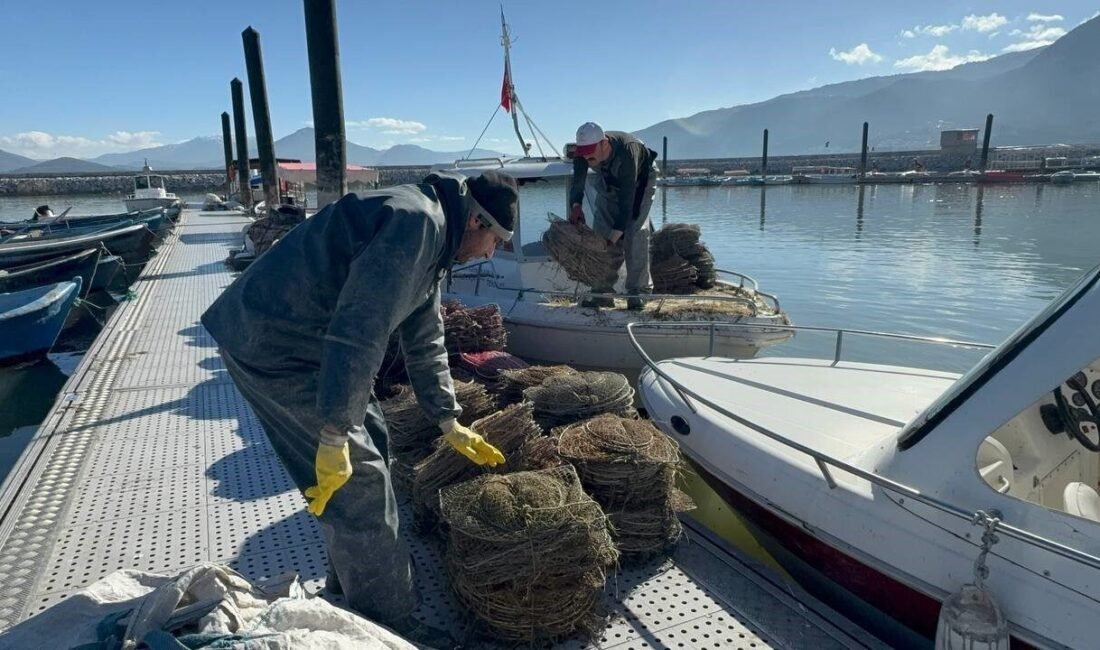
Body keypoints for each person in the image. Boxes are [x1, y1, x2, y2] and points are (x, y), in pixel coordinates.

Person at [200, 170, 517, 648]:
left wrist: (447, 417)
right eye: (496, 241)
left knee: (377, 446)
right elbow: (360, 330)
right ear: (477, 221)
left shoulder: (435, 227)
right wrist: (333, 432)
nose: (491, 253)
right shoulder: (416, 224)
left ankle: (349, 587)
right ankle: (386, 625)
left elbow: (424, 334)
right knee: (360, 482)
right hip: (274, 345)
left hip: (307, 343)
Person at [568, 122, 659, 310]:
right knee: (601, 232)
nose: (586, 156)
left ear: (604, 144)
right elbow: (578, 181)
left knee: (634, 233)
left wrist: (615, 235)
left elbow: (628, 201)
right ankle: (601, 293)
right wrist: (576, 205)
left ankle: (638, 292)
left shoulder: (627, 152)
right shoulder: (583, 154)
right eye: (583, 151)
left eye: (590, 151)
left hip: (639, 181)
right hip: (609, 179)